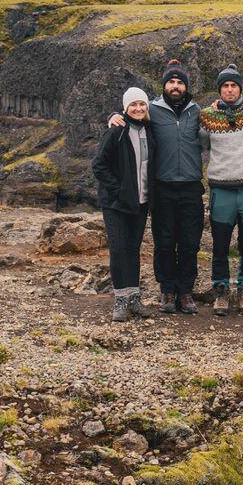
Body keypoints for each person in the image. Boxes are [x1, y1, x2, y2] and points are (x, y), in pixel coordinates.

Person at [199, 66, 243, 314]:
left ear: (240, 88)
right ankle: (221, 291)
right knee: (220, 245)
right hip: (221, 190)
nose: (229, 89)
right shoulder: (207, 116)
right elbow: (198, 141)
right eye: (225, 86)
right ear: (219, 90)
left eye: (233, 85)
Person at [146, 62, 207, 314]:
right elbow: (130, 115)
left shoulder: (197, 112)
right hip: (162, 188)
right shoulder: (151, 109)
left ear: (186, 87)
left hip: (191, 187)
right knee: (164, 242)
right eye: (171, 82)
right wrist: (112, 117)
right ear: (164, 86)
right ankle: (167, 291)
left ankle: (186, 292)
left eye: (180, 82)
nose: (175, 86)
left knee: (190, 243)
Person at [92, 86, 152, 319]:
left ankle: (134, 298)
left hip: (141, 202)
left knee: (133, 250)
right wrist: (118, 189)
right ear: (125, 107)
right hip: (116, 203)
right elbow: (99, 165)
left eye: (141, 104)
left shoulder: (149, 130)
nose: (138, 108)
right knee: (118, 250)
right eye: (133, 105)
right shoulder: (116, 130)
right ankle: (120, 300)